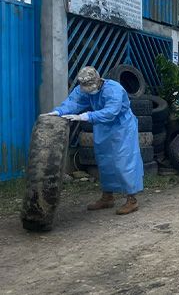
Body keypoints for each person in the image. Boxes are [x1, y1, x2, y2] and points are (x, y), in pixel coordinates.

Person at [44, 67, 143, 215]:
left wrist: (86, 116)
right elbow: (73, 102)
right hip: (102, 127)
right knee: (104, 161)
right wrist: (60, 111)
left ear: (98, 80)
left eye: (91, 87)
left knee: (124, 161)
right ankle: (107, 197)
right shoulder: (83, 89)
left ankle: (132, 200)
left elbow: (111, 112)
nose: (89, 90)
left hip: (121, 127)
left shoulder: (114, 89)